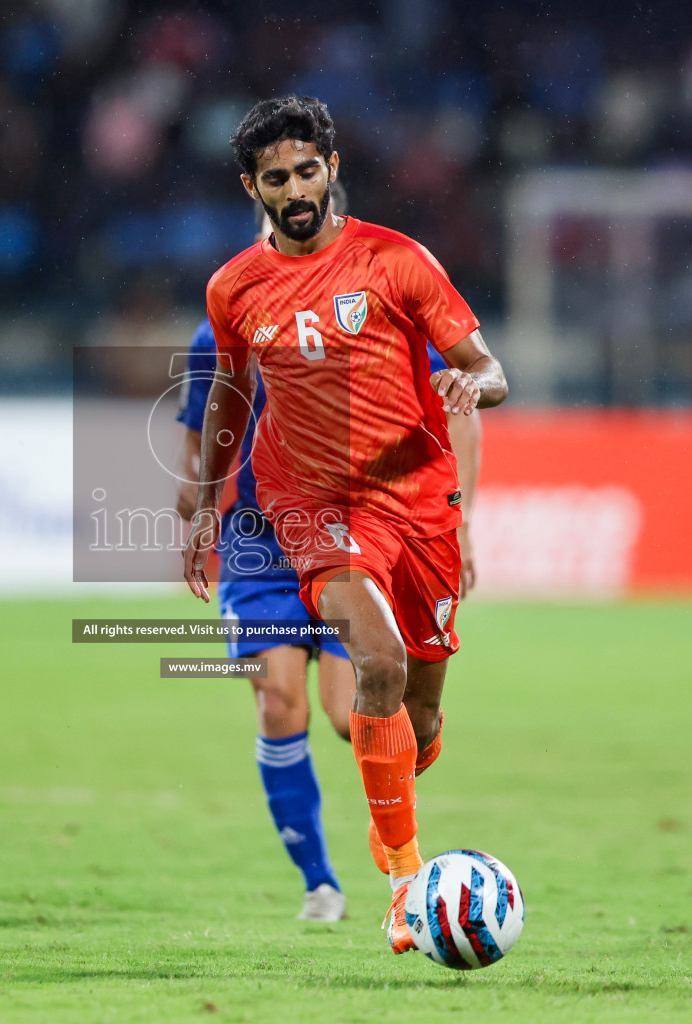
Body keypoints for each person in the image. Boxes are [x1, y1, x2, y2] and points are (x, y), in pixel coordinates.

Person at [183, 97, 506, 956]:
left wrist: (478, 388)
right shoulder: (233, 288)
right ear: (252, 185)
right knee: (377, 660)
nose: (296, 189)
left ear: (332, 166)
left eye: (308, 170)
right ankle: (404, 880)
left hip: (417, 497)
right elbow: (227, 393)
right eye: (276, 177)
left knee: (421, 718)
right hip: (311, 507)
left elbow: (487, 365)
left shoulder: (396, 263)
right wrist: (204, 509)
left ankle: (388, 810)